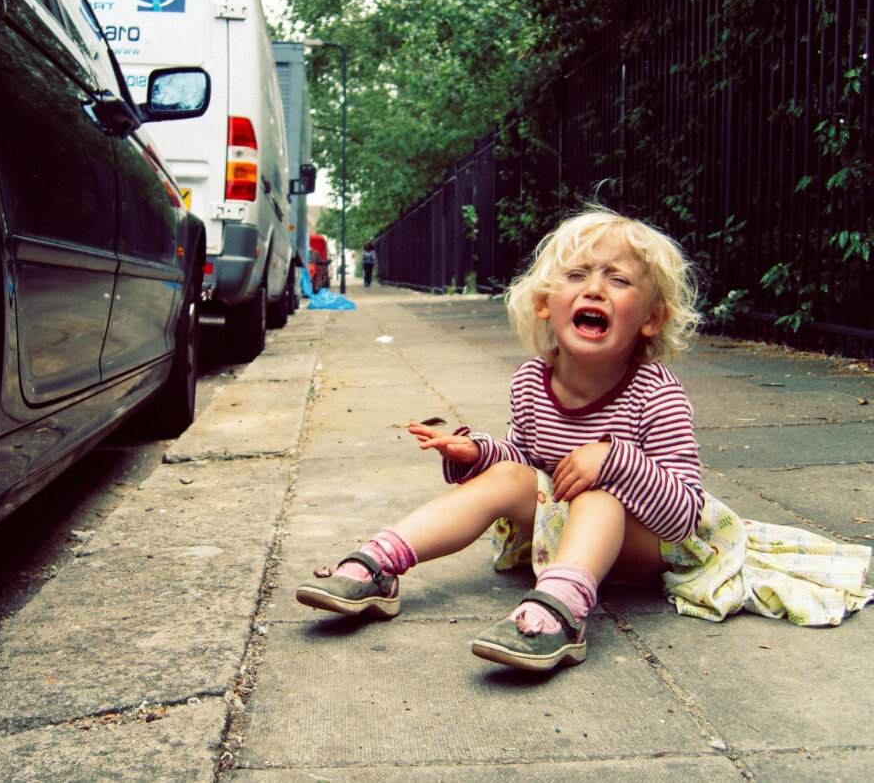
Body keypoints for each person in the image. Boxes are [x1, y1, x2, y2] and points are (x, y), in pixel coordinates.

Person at [296, 205, 873, 672]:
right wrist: (478, 453)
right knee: (507, 474)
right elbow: (528, 464)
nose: (594, 289)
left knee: (599, 492)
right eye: (577, 275)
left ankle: (562, 613)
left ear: (650, 318)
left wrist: (614, 462)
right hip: (569, 527)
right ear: (545, 304)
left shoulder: (656, 393)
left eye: (617, 279)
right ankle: (380, 564)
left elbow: (684, 515)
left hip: (650, 546)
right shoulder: (531, 380)